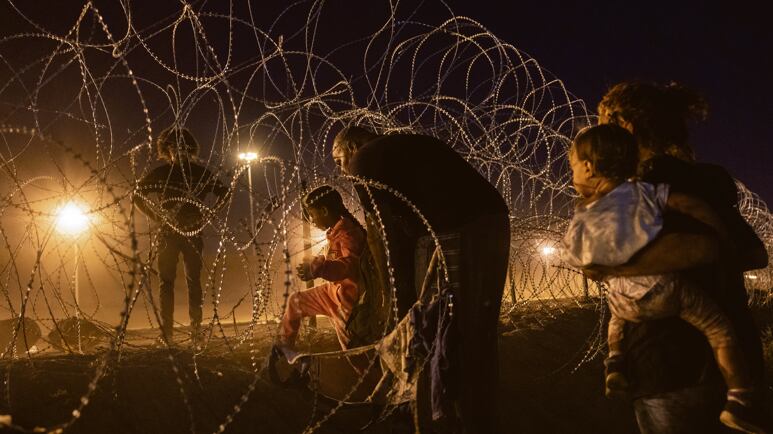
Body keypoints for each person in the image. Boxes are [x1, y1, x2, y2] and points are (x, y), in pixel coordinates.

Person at [587, 81, 769, 433]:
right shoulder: (707, 181)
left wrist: (617, 266)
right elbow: (754, 253)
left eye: (604, 127)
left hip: (670, 366)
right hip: (737, 367)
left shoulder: (644, 188)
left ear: (626, 126)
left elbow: (704, 248)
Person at [332, 126, 510, 433]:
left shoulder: (363, 159)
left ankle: (442, 417)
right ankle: (478, 419)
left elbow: (385, 237)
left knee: (444, 333)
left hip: (452, 230)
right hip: (491, 221)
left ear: (352, 147)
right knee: (476, 334)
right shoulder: (402, 150)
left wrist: (399, 309)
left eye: (338, 160)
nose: (341, 170)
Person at [133, 127, 228, 342]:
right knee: (167, 282)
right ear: (168, 150)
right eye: (175, 148)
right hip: (168, 232)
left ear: (190, 149)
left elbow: (225, 192)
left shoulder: (199, 172)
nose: (180, 152)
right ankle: (167, 333)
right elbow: (137, 196)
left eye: (184, 148)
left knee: (193, 281)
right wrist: (158, 217)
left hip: (192, 231)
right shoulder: (162, 173)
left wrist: (207, 215)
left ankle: (196, 332)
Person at [278, 185, 367, 353]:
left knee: (353, 350)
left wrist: (320, 269)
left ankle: (370, 373)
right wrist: (316, 263)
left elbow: (348, 266)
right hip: (331, 293)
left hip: (346, 301)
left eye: (312, 214)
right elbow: (333, 259)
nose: (311, 220)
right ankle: (284, 347)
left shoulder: (349, 234)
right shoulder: (335, 233)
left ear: (324, 211)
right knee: (295, 301)